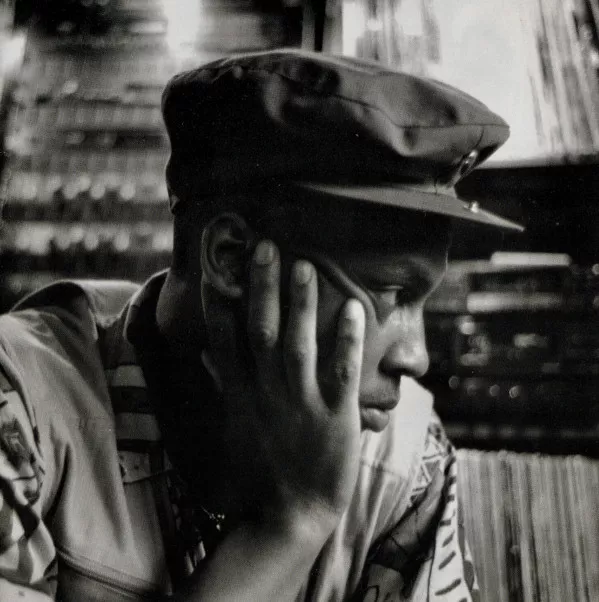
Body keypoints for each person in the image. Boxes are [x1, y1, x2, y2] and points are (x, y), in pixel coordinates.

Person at [0, 49, 522, 601]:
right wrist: (292, 522)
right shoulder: (20, 408)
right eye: (391, 295)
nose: (415, 357)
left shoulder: (405, 461)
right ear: (231, 259)